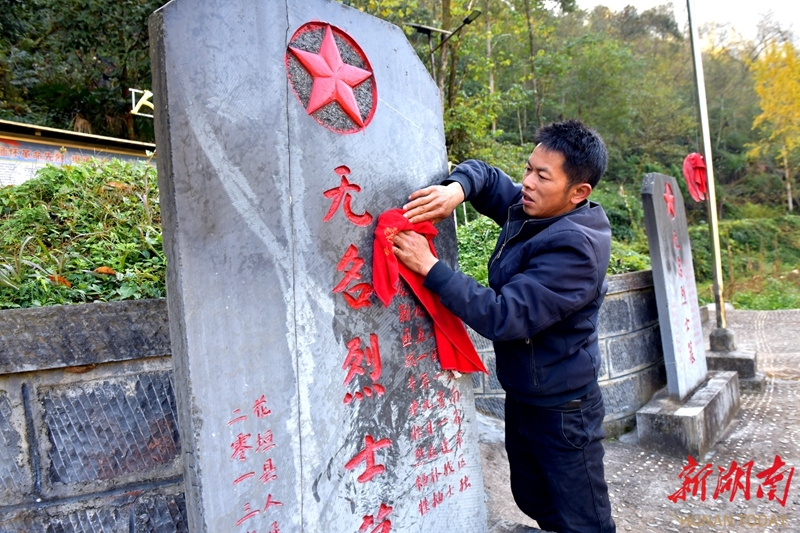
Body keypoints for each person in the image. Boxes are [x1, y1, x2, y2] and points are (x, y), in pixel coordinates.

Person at [392, 119, 616, 533]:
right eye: (529, 168)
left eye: (542, 176)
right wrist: (456, 189)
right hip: (526, 392)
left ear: (578, 192)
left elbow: (505, 316)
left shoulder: (575, 248)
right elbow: (487, 176)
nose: (527, 182)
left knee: (583, 520)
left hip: (564, 408)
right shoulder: (533, 208)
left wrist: (430, 267)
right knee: (533, 496)